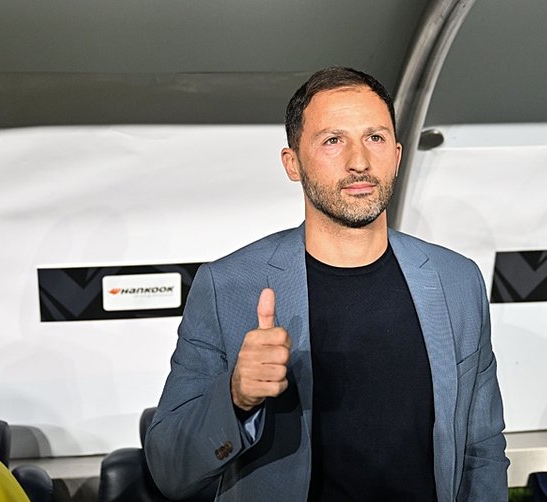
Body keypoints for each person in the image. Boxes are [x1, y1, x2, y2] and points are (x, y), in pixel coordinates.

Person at [144, 66, 509, 501]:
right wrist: (236, 397)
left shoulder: (457, 281)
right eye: (333, 140)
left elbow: (481, 450)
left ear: (396, 154)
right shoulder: (228, 286)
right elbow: (168, 468)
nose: (359, 161)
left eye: (374, 138)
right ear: (292, 163)